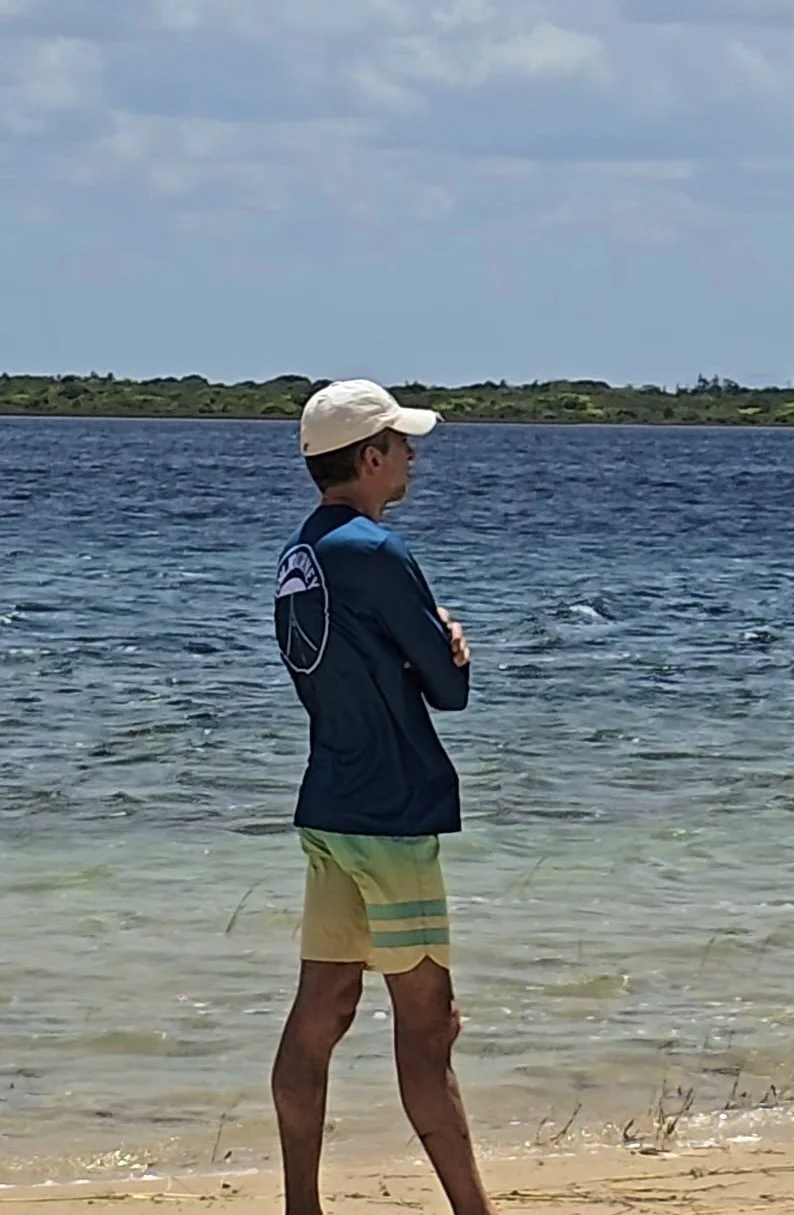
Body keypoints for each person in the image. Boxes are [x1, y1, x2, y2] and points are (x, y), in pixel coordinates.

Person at [268, 379, 494, 1215]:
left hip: (329, 803)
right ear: (369, 457)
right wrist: (454, 645)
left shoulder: (301, 554)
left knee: (320, 1007)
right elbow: (447, 686)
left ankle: (301, 1206)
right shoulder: (374, 550)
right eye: (402, 443)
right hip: (393, 816)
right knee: (429, 1023)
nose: (412, 456)